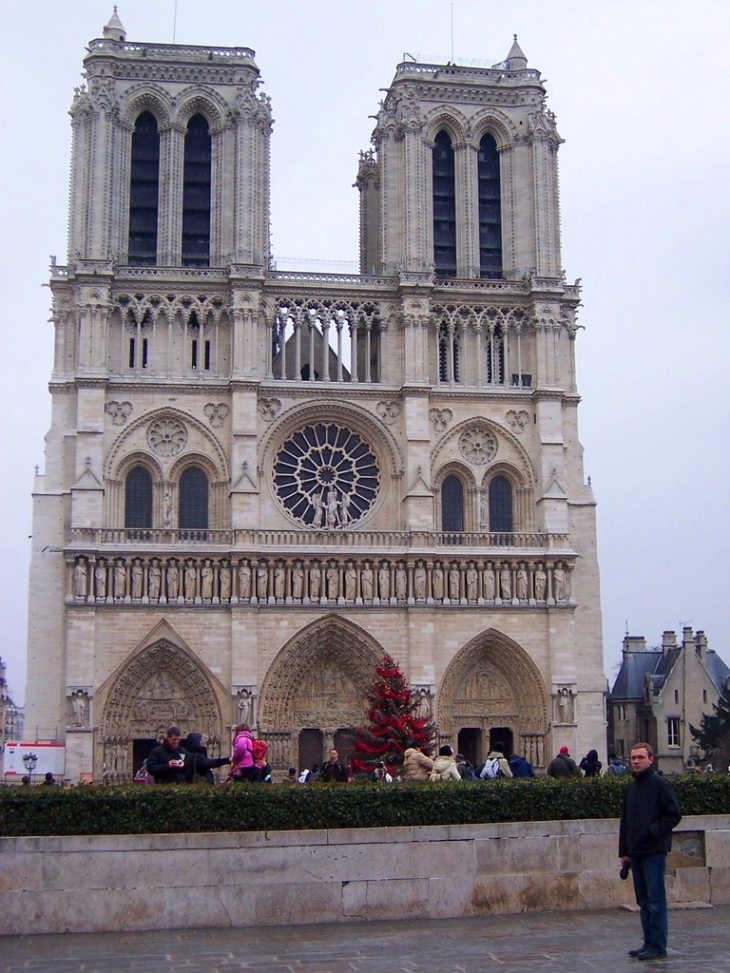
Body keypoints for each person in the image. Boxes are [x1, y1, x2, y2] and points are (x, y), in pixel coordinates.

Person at [619, 742, 682, 961]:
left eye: (640, 758)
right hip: (636, 852)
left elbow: (673, 814)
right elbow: (625, 821)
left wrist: (653, 831)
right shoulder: (631, 787)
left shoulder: (660, 785)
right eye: (633, 758)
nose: (636, 761)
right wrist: (623, 851)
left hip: (654, 850)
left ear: (651, 760)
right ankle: (648, 942)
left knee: (656, 900)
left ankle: (658, 945)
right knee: (643, 900)